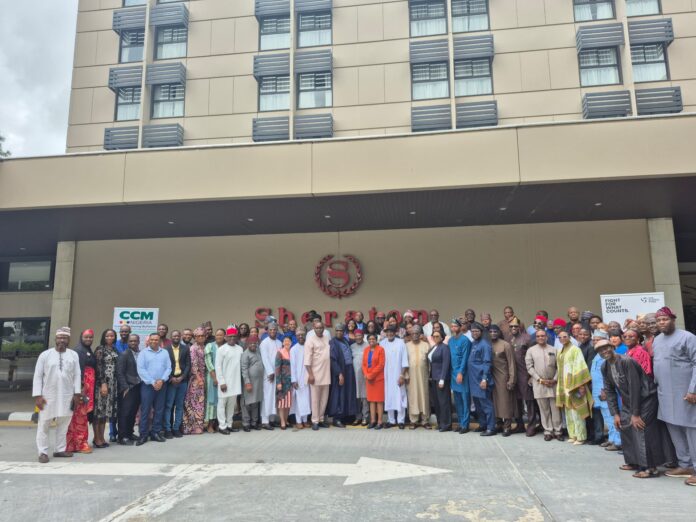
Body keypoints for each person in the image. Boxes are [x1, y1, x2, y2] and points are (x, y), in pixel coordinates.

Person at [598, 339, 676, 479]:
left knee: (640, 428)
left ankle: (650, 468)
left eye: (606, 348)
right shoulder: (605, 366)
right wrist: (615, 414)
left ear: (612, 347)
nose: (604, 351)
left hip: (646, 398)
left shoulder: (627, 361)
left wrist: (635, 414)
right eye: (600, 350)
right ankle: (633, 462)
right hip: (629, 401)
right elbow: (609, 391)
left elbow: (635, 387)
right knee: (624, 425)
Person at [652, 307, 696, 485]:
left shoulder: (688, 337)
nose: (662, 322)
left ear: (673, 320)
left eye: (665, 319)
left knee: (691, 429)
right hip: (665, 393)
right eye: (659, 320)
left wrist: (693, 390)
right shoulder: (657, 340)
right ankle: (685, 465)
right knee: (673, 427)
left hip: (685, 392)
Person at [33, 327, 81, 463]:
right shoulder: (45, 355)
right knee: (44, 424)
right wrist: (38, 395)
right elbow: (37, 376)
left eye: (64, 338)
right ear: (55, 339)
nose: (62, 340)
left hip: (67, 395)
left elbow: (77, 375)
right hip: (48, 395)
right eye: (59, 337)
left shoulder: (73, 355)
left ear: (68, 340)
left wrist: (77, 393)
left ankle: (59, 449)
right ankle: (42, 452)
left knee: (64, 423)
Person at [556, 331, 593, 445]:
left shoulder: (575, 349)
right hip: (563, 385)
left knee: (576, 411)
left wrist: (580, 385)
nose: (563, 338)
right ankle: (573, 435)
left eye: (565, 336)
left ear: (569, 337)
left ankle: (581, 437)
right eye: (560, 337)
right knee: (568, 410)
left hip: (574, 384)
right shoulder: (560, 351)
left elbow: (580, 366)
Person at [526, 330, 563, 441]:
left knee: (556, 409)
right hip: (539, 384)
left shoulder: (554, 350)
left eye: (542, 336)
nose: (540, 338)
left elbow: (559, 366)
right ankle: (548, 431)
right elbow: (529, 367)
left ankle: (558, 431)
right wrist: (539, 379)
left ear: (546, 337)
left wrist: (555, 379)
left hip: (553, 383)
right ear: (536, 338)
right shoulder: (531, 350)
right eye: (538, 336)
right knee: (544, 410)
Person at [136, 333, 171, 445]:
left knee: (159, 410)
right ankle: (143, 434)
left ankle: (155, 432)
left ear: (159, 341)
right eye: (152, 339)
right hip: (147, 386)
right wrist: (152, 382)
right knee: (145, 410)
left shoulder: (164, 352)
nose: (154, 341)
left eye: (156, 340)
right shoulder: (143, 353)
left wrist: (162, 380)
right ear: (149, 341)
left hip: (162, 385)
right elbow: (141, 369)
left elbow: (168, 368)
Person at [66, 329, 96, 454]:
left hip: (87, 388)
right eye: (86, 337)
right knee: (80, 416)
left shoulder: (87, 350)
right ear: (81, 337)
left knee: (82, 415)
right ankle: (79, 444)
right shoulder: (79, 351)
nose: (88, 339)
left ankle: (76, 443)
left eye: (91, 337)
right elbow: (79, 371)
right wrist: (81, 388)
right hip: (82, 389)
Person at [589, 338, 622, 451]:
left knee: (612, 416)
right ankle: (611, 439)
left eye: (599, 339)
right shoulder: (597, 355)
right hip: (597, 390)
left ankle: (618, 441)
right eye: (594, 340)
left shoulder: (608, 356)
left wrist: (604, 390)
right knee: (606, 417)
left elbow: (607, 376)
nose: (596, 342)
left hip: (605, 391)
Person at [509, 319, 538, 436]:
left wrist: (531, 376)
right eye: (511, 326)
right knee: (516, 401)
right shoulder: (509, 339)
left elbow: (534, 357)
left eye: (516, 326)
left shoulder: (527, 338)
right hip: (513, 374)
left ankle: (531, 426)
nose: (513, 328)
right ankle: (520, 425)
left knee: (529, 401)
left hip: (525, 374)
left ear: (520, 326)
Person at [328, 323, 357, 428]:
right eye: (337, 330)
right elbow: (333, 360)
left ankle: (345, 417)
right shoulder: (333, 342)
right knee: (339, 394)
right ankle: (337, 418)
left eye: (341, 330)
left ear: (344, 332)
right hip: (340, 371)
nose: (339, 332)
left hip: (349, 370)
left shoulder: (345, 341)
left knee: (348, 393)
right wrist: (339, 373)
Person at [489, 325, 517, 437]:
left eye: (495, 331)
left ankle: (507, 426)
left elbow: (511, 364)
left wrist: (512, 380)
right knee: (494, 402)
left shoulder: (506, 345)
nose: (493, 333)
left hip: (503, 377)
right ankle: (499, 424)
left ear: (499, 332)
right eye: (491, 331)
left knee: (505, 402)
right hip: (491, 377)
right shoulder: (487, 344)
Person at [93, 329, 119, 448]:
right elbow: (98, 367)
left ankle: (102, 437)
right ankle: (96, 438)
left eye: (112, 335)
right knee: (99, 411)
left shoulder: (114, 349)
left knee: (105, 412)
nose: (110, 337)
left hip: (113, 383)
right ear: (104, 337)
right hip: (102, 383)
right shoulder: (100, 349)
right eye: (107, 335)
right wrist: (103, 383)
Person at [469, 323, 495, 436]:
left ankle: (491, 428)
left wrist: (484, 379)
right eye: (473, 331)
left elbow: (487, 363)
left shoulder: (485, 345)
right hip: (473, 380)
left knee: (486, 405)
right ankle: (483, 424)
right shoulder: (474, 343)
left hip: (481, 380)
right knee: (478, 405)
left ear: (481, 332)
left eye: (477, 331)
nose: (474, 333)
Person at [304, 320, 331, 430]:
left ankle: (321, 419)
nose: (319, 330)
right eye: (317, 328)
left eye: (321, 328)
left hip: (326, 373)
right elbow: (307, 360)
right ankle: (315, 421)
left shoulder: (327, 338)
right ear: (313, 329)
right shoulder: (310, 340)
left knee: (324, 399)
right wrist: (310, 375)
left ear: (324, 328)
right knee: (315, 399)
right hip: (315, 374)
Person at [215, 326, 243, 434]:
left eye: (234, 336)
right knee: (222, 404)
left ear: (237, 337)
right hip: (224, 383)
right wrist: (222, 382)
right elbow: (218, 367)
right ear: (226, 337)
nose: (232, 338)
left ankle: (229, 424)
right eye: (230, 336)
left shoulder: (240, 349)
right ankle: (222, 426)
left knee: (232, 405)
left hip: (235, 382)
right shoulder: (221, 350)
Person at [164, 329, 190, 438]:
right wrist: (171, 378)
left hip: (182, 381)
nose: (176, 337)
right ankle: (167, 429)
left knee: (179, 405)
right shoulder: (166, 350)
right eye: (174, 336)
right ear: (171, 337)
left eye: (178, 336)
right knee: (169, 406)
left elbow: (188, 365)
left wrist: (182, 377)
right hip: (171, 381)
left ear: (180, 337)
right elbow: (164, 366)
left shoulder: (185, 348)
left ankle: (176, 428)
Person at [382, 326, 409, 429]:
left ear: (395, 332)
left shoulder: (401, 343)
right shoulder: (382, 343)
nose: (390, 334)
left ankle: (401, 421)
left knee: (400, 397)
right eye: (388, 332)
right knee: (389, 397)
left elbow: (405, 361)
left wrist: (402, 375)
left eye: (392, 332)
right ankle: (391, 420)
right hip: (387, 376)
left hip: (398, 375)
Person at [116, 334, 141, 445]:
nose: (133, 343)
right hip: (128, 388)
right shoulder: (124, 354)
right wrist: (125, 387)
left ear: (139, 342)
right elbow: (119, 372)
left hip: (138, 386)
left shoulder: (140, 354)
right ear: (128, 342)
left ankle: (130, 433)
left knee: (133, 412)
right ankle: (122, 437)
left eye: (135, 341)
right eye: (131, 341)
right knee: (125, 413)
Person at [182, 328, 207, 435]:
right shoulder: (193, 348)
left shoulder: (204, 347)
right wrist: (199, 378)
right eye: (198, 336)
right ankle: (192, 427)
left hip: (204, 377)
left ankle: (199, 425)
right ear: (195, 337)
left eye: (202, 336)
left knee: (200, 403)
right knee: (195, 403)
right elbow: (194, 364)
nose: (200, 337)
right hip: (196, 380)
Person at [448, 320, 471, 434]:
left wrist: (461, 372)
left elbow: (465, 358)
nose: (453, 328)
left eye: (455, 326)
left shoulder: (465, 340)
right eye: (452, 326)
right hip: (453, 374)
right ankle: (461, 423)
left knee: (465, 399)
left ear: (460, 327)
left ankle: (465, 425)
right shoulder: (450, 340)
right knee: (457, 401)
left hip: (462, 374)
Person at [406, 325, 431, 429]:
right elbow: (404, 362)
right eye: (413, 333)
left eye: (417, 333)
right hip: (411, 376)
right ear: (410, 335)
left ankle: (425, 420)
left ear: (420, 334)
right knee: (413, 397)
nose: (415, 335)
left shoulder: (426, 345)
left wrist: (429, 375)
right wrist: (405, 375)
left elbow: (430, 362)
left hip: (423, 375)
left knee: (424, 396)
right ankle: (413, 420)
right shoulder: (406, 346)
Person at [260, 323, 282, 430]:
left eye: (274, 329)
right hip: (269, 375)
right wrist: (270, 372)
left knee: (274, 397)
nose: (273, 331)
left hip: (277, 373)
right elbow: (265, 358)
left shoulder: (279, 342)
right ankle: (265, 421)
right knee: (267, 396)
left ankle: (272, 420)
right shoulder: (264, 343)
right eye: (271, 330)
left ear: (277, 331)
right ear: (267, 331)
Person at [241, 334, 264, 431]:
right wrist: (247, 383)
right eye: (251, 343)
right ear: (247, 344)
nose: (253, 345)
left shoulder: (258, 351)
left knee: (255, 402)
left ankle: (254, 422)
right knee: (246, 403)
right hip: (249, 382)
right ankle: (246, 423)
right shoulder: (245, 354)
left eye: (255, 343)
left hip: (258, 382)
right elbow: (244, 369)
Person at [429, 331, 451, 432]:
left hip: (441, 379)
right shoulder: (434, 347)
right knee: (437, 402)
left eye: (437, 336)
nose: (435, 338)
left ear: (442, 337)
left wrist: (442, 379)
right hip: (433, 378)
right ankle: (440, 423)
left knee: (443, 402)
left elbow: (446, 364)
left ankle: (446, 424)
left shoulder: (444, 347)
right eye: (433, 336)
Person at [363, 333, 386, 429]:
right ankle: (373, 421)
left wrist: (371, 375)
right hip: (369, 379)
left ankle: (380, 422)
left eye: (373, 339)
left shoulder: (381, 349)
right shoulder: (366, 350)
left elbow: (381, 365)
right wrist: (366, 374)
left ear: (376, 340)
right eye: (370, 339)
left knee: (379, 401)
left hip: (378, 379)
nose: (371, 340)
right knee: (371, 400)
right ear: (367, 340)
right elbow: (364, 364)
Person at [204, 328, 225, 432]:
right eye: (217, 335)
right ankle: (210, 424)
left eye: (221, 335)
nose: (219, 337)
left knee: (221, 400)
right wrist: (214, 377)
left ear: (224, 336)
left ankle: (218, 422)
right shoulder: (210, 346)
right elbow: (208, 362)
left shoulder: (226, 347)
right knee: (211, 400)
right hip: (212, 377)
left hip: (224, 377)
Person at [290, 329, 312, 429]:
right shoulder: (293, 349)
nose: (300, 337)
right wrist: (294, 380)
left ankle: (305, 420)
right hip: (298, 379)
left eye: (302, 335)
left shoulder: (309, 347)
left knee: (307, 400)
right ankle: (298, 421)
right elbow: (293, 366)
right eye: (298, 335)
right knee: (299, 400)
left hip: (308, 377)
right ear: (296, 336)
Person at [350, 329, 370, 427]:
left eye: (360, 335)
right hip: (354, 376)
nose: (358, 337)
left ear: (363, 336)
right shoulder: (352, 346)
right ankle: (358, 417)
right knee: (356, 397)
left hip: (364, 375)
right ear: (354, 337)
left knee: (364, 396)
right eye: (356, 336)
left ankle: (365, 416)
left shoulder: (368, 345)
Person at [275, 336, 293, 430]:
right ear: (282, 343)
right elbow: (277, 368)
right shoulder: (280, 352)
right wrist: (278, 382)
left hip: (291, 381)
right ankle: (282, 421)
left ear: (291, 342)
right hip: (282, 381)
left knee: (288, 403)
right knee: (282, 403)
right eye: (285, 341)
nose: (287, 342)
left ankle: (286, 420)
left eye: (288, 341)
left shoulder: (293, 352)